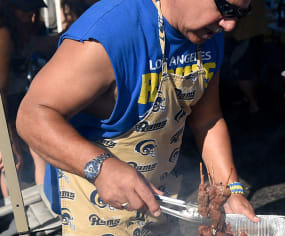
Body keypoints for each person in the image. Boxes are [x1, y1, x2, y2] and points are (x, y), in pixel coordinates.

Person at [16, 0, 259, 235]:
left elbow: (208, 120)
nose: (230, 25)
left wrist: (232, 190)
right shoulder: (111, 33)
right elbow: (32, 115)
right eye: (225, 8)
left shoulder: (209, 35)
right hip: (92, 204)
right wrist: (101, 169)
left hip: (159, 199)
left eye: (240, 14)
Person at [0, 0, 50, 198]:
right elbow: (0, 89)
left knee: (37, 152)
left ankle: (39, 203)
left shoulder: (28, 30)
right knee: (10, 161)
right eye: (24, 10)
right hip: (7, 106)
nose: (29, 15)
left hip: (20, 100)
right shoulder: (4, 31)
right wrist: (8, 137)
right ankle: (15, 211)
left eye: (32, 10)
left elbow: (43, 44)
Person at [224, 0, 268, 113]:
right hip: (258, 30)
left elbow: (237, 9)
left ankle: (253, 104)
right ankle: (251, 98)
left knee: (242, 72)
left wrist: (228, 32)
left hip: (242, 34)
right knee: (254, 68)